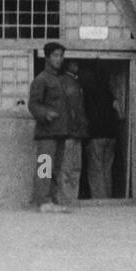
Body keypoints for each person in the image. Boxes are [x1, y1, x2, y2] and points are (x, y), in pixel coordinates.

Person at [27, 41, 87, 213]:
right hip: (47, 133)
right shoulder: (41, 80)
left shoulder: (61, 80)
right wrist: (45, 113)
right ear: (46, 57)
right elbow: (33, 104)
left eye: (61, 56)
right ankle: (43, 200)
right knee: (44, 167)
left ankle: (52, 199)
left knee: (56, 168)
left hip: (60, 132)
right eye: (55, 55)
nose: (59, 59)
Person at [80, 65, 121, 199]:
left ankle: (99, 199)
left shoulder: (87, 92)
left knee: (95, 170)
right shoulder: (108, 92)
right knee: (106, 169)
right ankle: (107, 197)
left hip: (96, 135)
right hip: (111, 134)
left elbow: (87, 115)